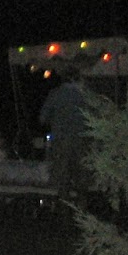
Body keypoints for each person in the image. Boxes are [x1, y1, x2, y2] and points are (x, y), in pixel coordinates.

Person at [38, 63, 91, 199]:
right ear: (77, 78)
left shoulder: (55, 94)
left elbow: (42, 118)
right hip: (81, 141)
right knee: (81, 177)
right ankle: (82, 211)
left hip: (61, 141)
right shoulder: (84, 96)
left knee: (62, 177)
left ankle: (64, 209)